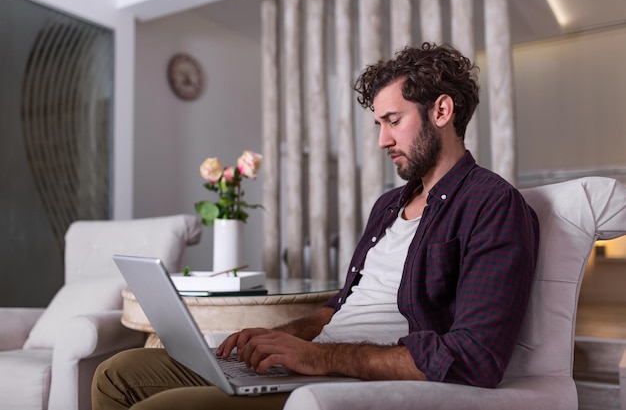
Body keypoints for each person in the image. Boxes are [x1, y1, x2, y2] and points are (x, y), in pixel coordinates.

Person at [92, 42, 539, 410]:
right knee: (117, 372)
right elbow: (340, 305)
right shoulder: (388, 206)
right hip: (315, 360)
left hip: (352, 382)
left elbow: (475, 357)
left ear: (441, 111)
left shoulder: (493, 205)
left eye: (393, 121)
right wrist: (281, 338)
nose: (382, 139)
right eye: (379, 124)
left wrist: (319, 356)